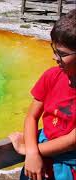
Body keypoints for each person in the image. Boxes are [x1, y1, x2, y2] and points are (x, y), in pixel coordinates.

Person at [9, 9, 76, 180]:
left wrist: (28, 150)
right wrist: (32, 153)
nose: (55, 57)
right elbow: (32, 116)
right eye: (54, 49)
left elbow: (72, 140)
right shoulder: (52, 76)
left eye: (62, 53)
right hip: (41, 155)